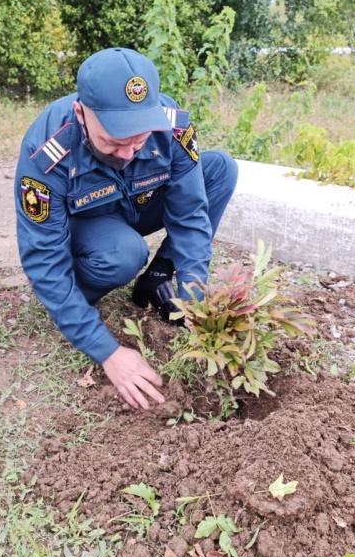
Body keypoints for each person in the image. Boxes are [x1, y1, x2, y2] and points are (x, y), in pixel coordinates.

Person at [15, 47, 238, 410]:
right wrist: (108, 352)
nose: (127, 153)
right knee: (124, 254)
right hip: (88, 225)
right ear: (80, 113)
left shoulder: (171, 126)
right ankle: (77, 300)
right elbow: (43, 258)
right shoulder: (47, 151)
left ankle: (156, 278)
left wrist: (196, 296)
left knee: (219, 169)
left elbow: (191, 215)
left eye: (138, 140)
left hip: (138, 205)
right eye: (114, 141)